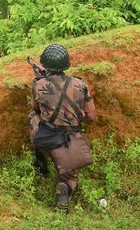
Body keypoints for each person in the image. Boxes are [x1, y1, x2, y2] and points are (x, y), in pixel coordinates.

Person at [28, 44, 97, 212]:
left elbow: (36, 108)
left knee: (32, 117)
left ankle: (40, 158)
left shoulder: (38, 85)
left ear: (45, 65)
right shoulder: (80, 85)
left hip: (47, 136)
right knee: (69, 177)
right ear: (66, 65)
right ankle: (64, 190)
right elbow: (91, 117)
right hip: (71, 139)